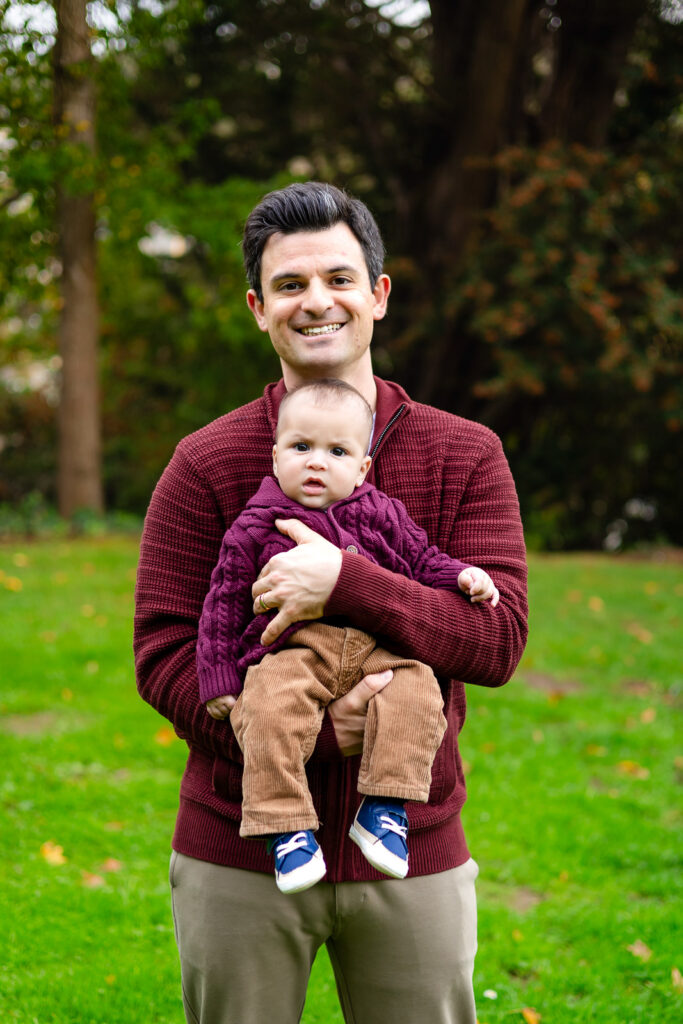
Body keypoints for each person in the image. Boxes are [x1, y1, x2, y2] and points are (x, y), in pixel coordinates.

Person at [134, 181, 528, 1024]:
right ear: (257, 307)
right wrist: (300, 727)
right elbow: (164, 652)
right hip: (238, 850)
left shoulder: (465, 454)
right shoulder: (204, 463)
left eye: (339, 278)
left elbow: (495, 641)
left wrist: (347, 583)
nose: (317, 301)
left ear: (378, 294)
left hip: (412, 849)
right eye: (289, 284)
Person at [196, 378, 500, 894]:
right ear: (275, 457)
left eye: (336, 451)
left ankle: (384, 807)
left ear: (361, 467)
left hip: (377, 649)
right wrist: (219, 675)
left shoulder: (382, 513)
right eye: (301, 448)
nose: (317, 462)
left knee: (421, 691)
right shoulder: (255, 524)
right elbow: (223, 600)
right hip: (293, 649)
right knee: (267, 706)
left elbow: (423, 560)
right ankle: (285, 827)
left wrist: (463, 576)